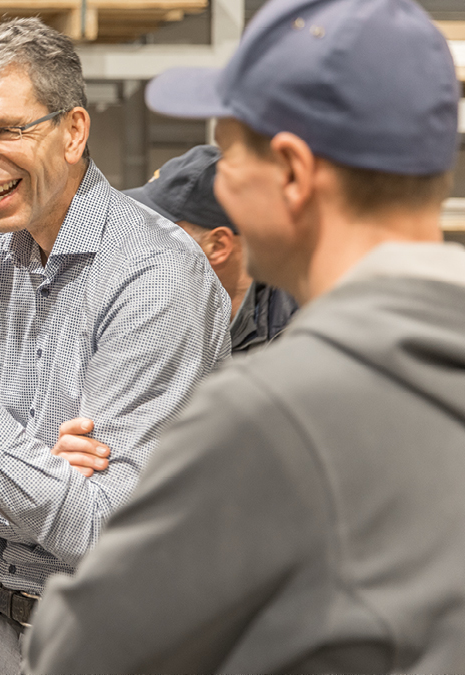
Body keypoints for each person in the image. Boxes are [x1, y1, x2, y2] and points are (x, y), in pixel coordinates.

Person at [26, 0, 465, 671]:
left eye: (229, 154)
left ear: (291, 172)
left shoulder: (271, 415)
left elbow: (77, 651)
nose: (223, 178)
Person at [0, 17, 229, 672]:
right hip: (11, 633)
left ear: (74, 130)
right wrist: (40, 471)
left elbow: (99, 529)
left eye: (3, 130)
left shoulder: (153, 273)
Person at [126, 144, 299, 353]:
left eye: (160, 232)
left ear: (217, 246)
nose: (140, 246)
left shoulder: (300, 334)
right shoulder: (163, 313)